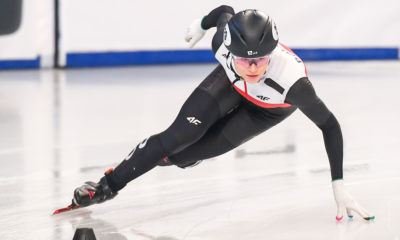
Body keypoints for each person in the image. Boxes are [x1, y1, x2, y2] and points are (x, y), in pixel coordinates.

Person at [71, 6, 374, 221]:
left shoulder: (294, 84)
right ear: (230, 50)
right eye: (245, 60)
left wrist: (339, 186)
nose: (254, 68)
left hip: (266, 111)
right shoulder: (222, 45)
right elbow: (224, 12)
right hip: (230, 85)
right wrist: (201, 24)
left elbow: (330, 125)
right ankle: (107, 186)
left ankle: (186, 155)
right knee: (178, 136)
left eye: (262, 60)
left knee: (179, 156)